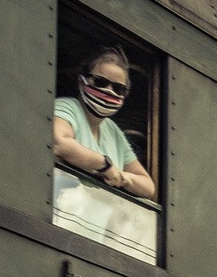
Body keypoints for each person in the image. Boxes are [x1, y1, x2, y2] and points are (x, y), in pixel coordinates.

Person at [52, 47, 156, 200]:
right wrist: (104, 164)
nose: (109, 91)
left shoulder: (113, 131)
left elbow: (148, 187)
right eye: (100, 82)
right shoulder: (67, 107)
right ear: (82, 82)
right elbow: (58, 143)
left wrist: (122, 177)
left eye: (118, 88)